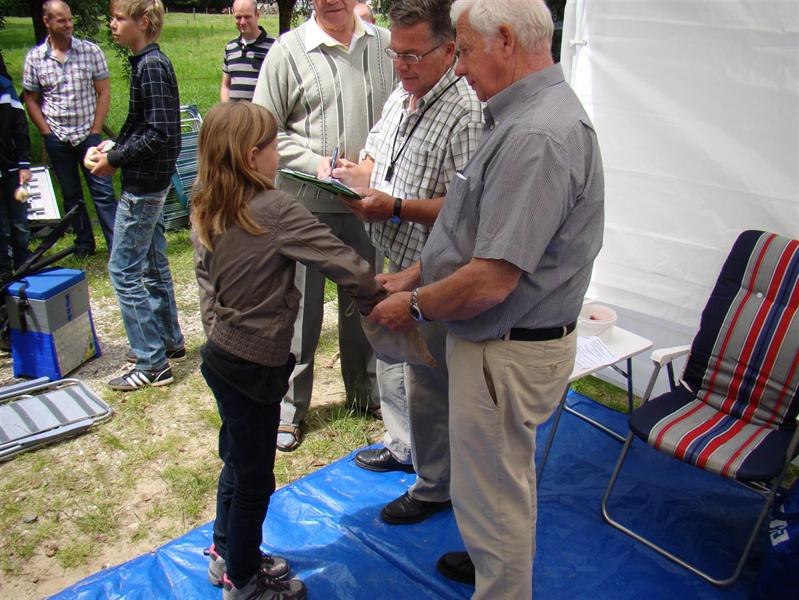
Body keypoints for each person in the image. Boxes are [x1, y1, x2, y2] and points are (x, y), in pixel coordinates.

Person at [369, 0, 605, 597]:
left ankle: (499, 579)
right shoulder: (524, 116)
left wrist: (414, 305)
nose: (460, 67)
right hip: (503, 343)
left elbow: (492, 280)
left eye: (467, 51)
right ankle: (490, 560)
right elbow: (479, 229)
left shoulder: (537, 135)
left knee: (495, 494)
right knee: (493, 486)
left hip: (507, 348)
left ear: (505, 40)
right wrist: (417, 273)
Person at [193, 101, 386, 600]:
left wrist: (220, 331)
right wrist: (374, 292)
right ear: (252, 156)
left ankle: (224, 552)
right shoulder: (275, 208)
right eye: (274, 146)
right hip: (257, 365)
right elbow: (341, 259)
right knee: (255, 478)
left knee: (236, 457)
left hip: (220, 357)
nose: (279, 155)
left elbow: (204, 283)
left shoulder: (207, 204)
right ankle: (243, 582)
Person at [326, 0, 482, 524]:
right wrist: (352, 177)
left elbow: (465, 211)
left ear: (448, 49)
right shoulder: (404, 90)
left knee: (429, 378)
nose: (401, 65)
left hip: (438, 267)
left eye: (413, 55)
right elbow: (376, 155)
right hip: (397, 249)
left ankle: (436, 486)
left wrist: (393, 206)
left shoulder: (465, 110)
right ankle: (405, 447)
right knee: (396, 358)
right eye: (395, 54)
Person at [253, 0, 395, 452]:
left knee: (367, 298)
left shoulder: (386, 44)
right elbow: (264, 129)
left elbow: (404, 113)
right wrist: (315, 163)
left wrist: (371, 169)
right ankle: (289, 408)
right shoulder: (287, 50)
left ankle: (365, 393)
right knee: (298, 311)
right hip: (304, 207)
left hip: (368, 205)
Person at [91, 0, 185, 391]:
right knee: (152, 263)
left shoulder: (151, 66)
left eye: (118, 18)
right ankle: (168, 340)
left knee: (123, 271)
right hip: (150, 181)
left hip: (145, 187)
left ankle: (151, 361)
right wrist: (114, 146)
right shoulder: (147, 63)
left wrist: (115, 159)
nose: (111, 24)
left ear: (143, 22)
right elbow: (145, 125)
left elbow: (161, 133)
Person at [22, 0, 117, 256]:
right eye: (61, 20)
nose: (68, 25)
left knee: (103, 191)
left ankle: (116, 245)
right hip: (57, 136)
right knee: (71, 194)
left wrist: (96, 129)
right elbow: (31, 99)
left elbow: (104, 92)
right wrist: (45, 131)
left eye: (70, 19)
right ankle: (84, 244)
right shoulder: (35, 58)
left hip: (88, 134)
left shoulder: (90, 51)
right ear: (47, 22)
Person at [0, 56, 32, 279]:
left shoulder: (5, 89)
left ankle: (23, 264)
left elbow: (20, 128)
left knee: (19, 223)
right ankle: (3, 269)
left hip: (12, 168)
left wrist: (24, 164)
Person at [220, 0, 274, 102]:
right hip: (234, 112)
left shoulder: (273, 46)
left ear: (257, 15)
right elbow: (225, 86)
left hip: (260, 111)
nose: (242, 22)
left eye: (247, 17)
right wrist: (226, 109)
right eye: (238, 17)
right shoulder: (230, 47)